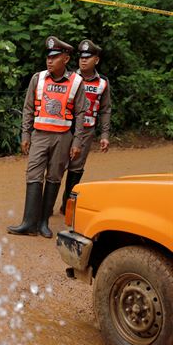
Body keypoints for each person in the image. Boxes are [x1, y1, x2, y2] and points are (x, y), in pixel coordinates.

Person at [8, 36, 86, 238]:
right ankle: (28, 223)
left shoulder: (77, 82)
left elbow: (80, 114)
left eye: (55, 57)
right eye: (48, 57)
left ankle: (43, 222)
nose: (49, 61)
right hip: (39, 136)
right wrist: (25, 134)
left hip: (63, 138)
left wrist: (77, 142)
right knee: (33, 175)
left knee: (53, 177)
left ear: (66, 59)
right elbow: (27, 108)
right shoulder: (38, 78)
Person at [59, 39, 111, 214]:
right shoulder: (70, 78)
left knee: (76, 167)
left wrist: (104, 134)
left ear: (96, 60)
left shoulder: (103, 83)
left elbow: (105, 109)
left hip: (87, 131)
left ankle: (67, 205)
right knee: (57, 166)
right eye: (81, 57)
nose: (83, 60)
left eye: (88, 57)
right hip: (66, 128)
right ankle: (46, 207)